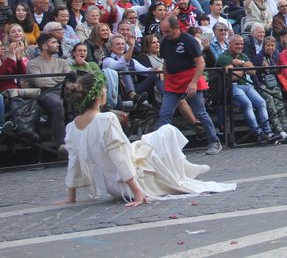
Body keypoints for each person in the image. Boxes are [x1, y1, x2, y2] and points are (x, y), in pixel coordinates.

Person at [59, 73, 236, 206]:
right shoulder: (106, 119)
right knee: (167, 131)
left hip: (111, 184)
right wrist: (137, 192)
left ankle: (185, 169)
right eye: (105, 89)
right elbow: (118, 157)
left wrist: (71, 196)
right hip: (130, 183)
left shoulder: (72, 127)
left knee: (156, 137)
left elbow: (73, 162)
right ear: (99, 95)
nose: (107, 91)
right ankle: (183, 171)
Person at [157, 16, 222, 154]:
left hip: (190, 78)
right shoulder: (165, 42)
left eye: (167, 31)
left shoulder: (189, 40)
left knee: (200, 112)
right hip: (173, 81)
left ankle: (214, 141)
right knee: (165, 113)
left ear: (176, 28)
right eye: (163, 31)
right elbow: (166, 62)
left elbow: (201, 63)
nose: (165, 34)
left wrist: (193, 82)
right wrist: (165, 78)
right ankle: (160, 145)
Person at [216, 35, 280, 144]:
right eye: (237, 44)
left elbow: (253, 71)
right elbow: (234, 76)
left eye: (241, 44)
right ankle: (258, 133)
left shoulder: (243, 55)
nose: (240, 46)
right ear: (229, 44)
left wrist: (240, 64)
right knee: (247, 104)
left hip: (246, 85)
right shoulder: (224, 57)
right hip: (231, 87)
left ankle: (268, 132)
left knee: (261, 102)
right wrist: (244, 66)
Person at [24, 33, 71, 154]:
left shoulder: (63, 62)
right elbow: (40, 82)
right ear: (44, 46)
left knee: (84, 99)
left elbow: (69, 79)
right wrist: (60, 79)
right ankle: (61, 144)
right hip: (44, 93)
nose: (58, 45)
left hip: (64, 91)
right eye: (54, 42)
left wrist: (53, 79)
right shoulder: (33, 63)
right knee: (57, 104)